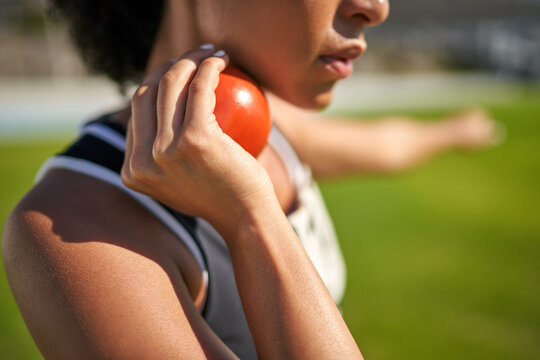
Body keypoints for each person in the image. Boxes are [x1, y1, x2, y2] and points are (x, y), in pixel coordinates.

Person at [1, 0, 497, 358]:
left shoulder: (276, 122)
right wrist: (249, 217)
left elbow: (385, 145)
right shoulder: (70, 228)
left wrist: (455, 130)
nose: (376, 7)